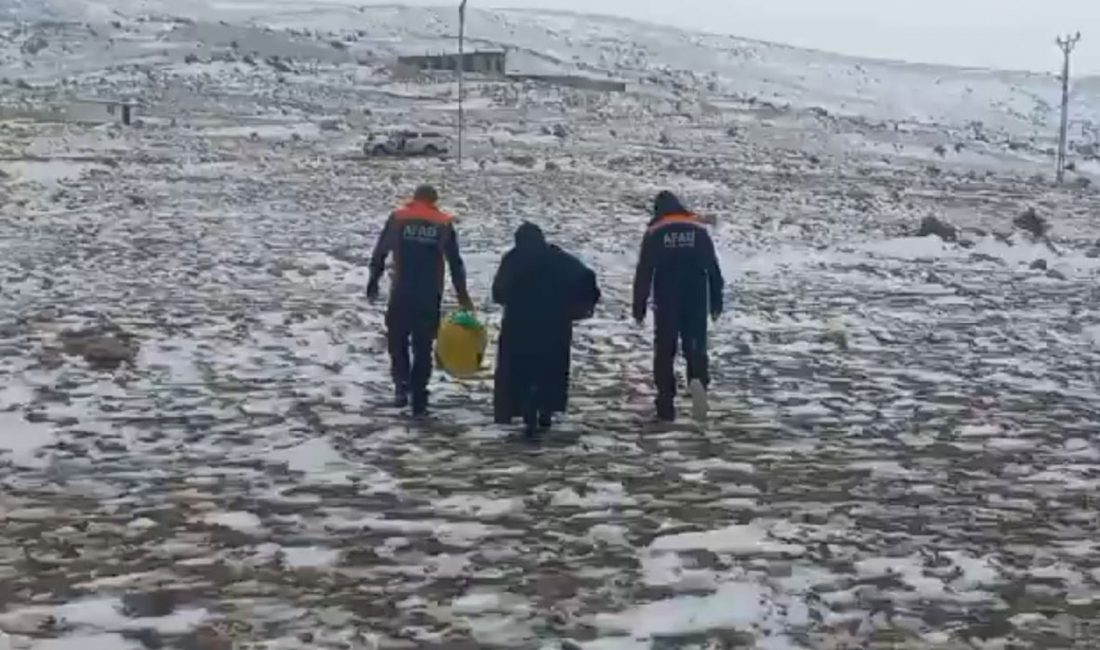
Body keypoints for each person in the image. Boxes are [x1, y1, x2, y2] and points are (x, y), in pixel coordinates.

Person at [367, 184, 473, 416]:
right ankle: (419, 392)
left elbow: (380, 252)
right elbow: (455, 262)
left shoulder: (398, 218)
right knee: (423, 346)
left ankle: (401, 386)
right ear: (434, 201)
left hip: (401, 292)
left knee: (397, 341)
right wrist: (462, 295)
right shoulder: (443, 223)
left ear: (414, 199)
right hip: (429, 294)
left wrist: (373, 281)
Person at [492, 222, 600, 436]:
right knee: (550, 371)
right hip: (554, 326)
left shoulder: (513, 259)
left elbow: (498, 292)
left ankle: (516, 409)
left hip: (518, 327)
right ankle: (547, 409)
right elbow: (587, 278)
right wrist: (581, 306)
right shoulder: (560, 259)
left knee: (516, 371)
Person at [632, 191, 724, 422]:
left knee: (665, 350)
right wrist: (716, 301)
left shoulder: (655, 232)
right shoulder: (698, 230)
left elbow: (644, 272)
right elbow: (713, 269)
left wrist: (639, 305)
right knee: (696, 345)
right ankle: (698, 383)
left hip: (667, 298)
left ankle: (666, 402)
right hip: (696, 296)